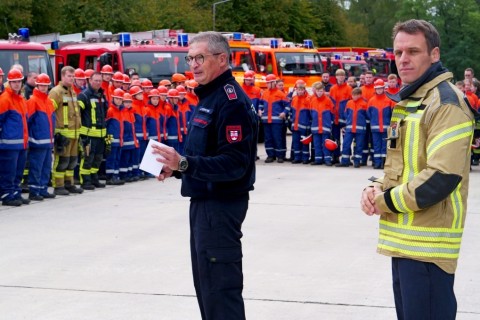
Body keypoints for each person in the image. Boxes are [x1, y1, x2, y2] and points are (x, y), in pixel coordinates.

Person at [360, 19, 476, 320]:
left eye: (413, 51)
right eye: (398, 52)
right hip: (405, 243)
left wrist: (384, 201)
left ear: (434, 55)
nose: (403, 59)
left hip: (429, 247)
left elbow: (442, 177)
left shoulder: (446, 104)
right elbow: (400, 165)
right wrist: (372, 188)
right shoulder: (414, 100)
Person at [151, 31, 258, 320]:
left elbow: (234, 163)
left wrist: (184, 164)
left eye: (200, 58)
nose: (194, 64)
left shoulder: (230, 101)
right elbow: (205, 155)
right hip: (204, 203)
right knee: (209, 291)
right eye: (190, 58)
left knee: (221, 294)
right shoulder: (209, 96)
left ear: (222, 59)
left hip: (220, 208)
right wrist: (176, 167)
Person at [49, 66, 84, 195]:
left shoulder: (72, 91)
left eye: (73, 76)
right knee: (62, 161)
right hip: (63, 134)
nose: (72, 78)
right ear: (62, 76)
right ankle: (58, 186)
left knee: (72, 161)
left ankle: (69, 184)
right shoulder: (56, 92)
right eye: (69, 76)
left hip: (74, 133)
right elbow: (50, 112)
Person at [0, 69, 30, 206]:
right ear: (9, 83)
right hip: (9, 144)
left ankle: (16, 193)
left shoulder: (21, 99)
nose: (17, 84)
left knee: (18, 171)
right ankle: (7, 195)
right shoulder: (5, 99)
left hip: (21, 143)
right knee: (9, 171)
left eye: (19, 81)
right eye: (14, 82)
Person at [26, 73, 56, 200]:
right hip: (37, 141)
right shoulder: (32, 101)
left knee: (46, 167)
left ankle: (42, 189)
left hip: (48, 142)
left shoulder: (49, 102)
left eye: (46, 85)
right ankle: (34, 191)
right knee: (36, 167)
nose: (44, 88)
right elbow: (28, 121)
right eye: (41, 85)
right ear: (37, 85)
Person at [77, 71, 108, 190]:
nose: (98, 83)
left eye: (100, 80)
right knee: (87, 159)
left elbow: (104, 114)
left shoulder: (101, 96)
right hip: (88, 135)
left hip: (100, 135)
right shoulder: (83, 96)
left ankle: (94, 178)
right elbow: (77, 114)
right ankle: (85, 181)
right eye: (95, 80)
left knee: (98, 158)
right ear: (90, 81)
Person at [259, 74, 289, 163]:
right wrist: (260, 110)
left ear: (273, 83)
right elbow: (260, 104)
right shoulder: (264, 93)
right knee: (268, 139)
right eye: (267, 83)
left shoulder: (280, 94)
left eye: (269, 83)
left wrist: (284, 113)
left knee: (277, 138)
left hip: (277, 121)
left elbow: (287, 105)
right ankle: (270, 156)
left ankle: (280, 156)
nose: (267, 85)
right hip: (266, 121)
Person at [366, 79, 394, 169]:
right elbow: (368, 113)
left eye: (380, 88)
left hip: (386, 127)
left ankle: (384, 163)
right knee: (377, 146)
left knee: (385, 146)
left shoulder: (389, 100)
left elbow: (392, 113)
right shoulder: (371, 101)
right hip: (375, 128)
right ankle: (377, 163)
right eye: (377, 89)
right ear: (375, 89)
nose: (379, 90)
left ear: (383, 88)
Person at [336, 87, 367, 168]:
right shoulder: (349, 103)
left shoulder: (364, 104)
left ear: (360, 95)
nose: (354, 96)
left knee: (359, 145)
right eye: (353, 95)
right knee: (346, 144)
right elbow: (346, 114)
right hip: (349, 128)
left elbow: (367, 116)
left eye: (356, 95)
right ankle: (344, 161)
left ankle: (357, 162)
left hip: (360, 129)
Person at [309, 81, 334, 165]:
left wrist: (330, 123)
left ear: (323, 91)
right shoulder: (312, 101)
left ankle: (327, 160)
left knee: (326, 144)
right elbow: (311, 113)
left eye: (321, 91)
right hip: (316, 127)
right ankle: (318, 159)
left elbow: (332, 113)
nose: (319, 93)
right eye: (318, 91)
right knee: (317, 144)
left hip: (325, 127)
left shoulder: (328, 101)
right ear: (315, 91)